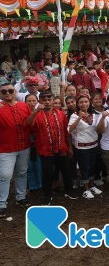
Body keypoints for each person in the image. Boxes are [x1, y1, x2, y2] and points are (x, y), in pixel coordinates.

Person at [26, 90, 77, 205]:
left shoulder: (61, 114)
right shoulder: (37, 114)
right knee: (47, 173)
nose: (47, 102)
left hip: (61, 148)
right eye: (45, 100)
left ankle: (69, 190)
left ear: (53, 100)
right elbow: (29, 124)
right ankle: (47, 195)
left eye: (50, 100)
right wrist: (35, 112)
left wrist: (70, 147)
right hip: (46, 150)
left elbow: (66, 131)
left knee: (66, 171)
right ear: (40, 101)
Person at [0, 82, 32, 217]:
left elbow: (31, 122)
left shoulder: (24, 106)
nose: (7, 93)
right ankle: (2, 202)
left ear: (15, 92)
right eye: (4, 91)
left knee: (22, 173)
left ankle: (20, 197)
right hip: (6, 148)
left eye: (10, 90)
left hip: (24, 146)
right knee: (5, 176)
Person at [68, 95, 102, 199]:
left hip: (94, 144)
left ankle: (92, 185)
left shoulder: (94, 114)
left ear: (89, 102)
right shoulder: (74, 115)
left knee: (92, 166)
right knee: (84, 167)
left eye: (86, 101)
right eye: (81, 102)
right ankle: (86, 189)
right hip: (82, 147)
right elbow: (70, 129)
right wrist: (79, 118)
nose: (84, 104)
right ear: (78, 104)